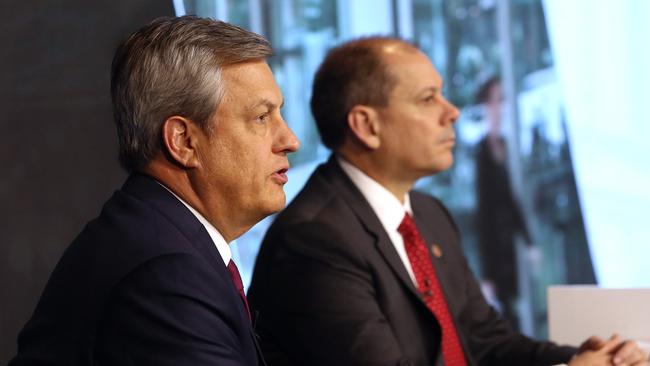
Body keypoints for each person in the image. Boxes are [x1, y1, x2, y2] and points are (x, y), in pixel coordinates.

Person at [248, 37, 647, 366]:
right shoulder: (315, 241)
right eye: (427, 99)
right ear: (367, 125)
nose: (452, 112)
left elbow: (486, 342)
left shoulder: (428, 213)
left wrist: (597, 358)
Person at [10, 16, 299, 366]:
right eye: (261, 118)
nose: (290, 141)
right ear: (183, 141)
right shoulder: (167, 274)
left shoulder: (159, 235)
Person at [474, 76, 533, 328]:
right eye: (498, 100)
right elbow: (483, 214)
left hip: (511, 246)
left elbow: (512, 198)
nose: (502, 106)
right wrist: (486, 273)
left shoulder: (507, 146)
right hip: (495, 251)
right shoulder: (482, 152)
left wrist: (528, 240)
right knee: (505, 317)